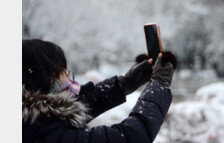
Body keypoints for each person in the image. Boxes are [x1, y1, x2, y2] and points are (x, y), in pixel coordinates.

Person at [22, 39, 177, 143]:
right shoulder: (48, 135)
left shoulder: (30, 120)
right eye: (62, 73)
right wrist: (159, 85)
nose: (68, 77)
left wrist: (125, 84)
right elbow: (131, 137)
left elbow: (79, 106)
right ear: (42, 78)